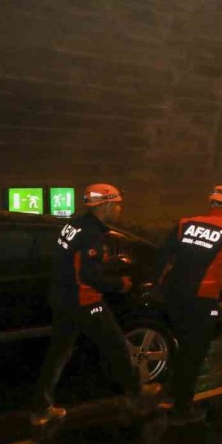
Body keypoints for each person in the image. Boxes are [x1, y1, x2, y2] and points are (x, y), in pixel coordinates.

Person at [30, 183, 161, 427]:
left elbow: (69, 263)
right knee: (117, 346)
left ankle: (41, 409)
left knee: (59, 353)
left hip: (61, 297)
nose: (120, 209)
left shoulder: (75, 224)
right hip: (83, 300)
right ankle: (137, 395)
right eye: (118, 204)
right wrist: (118, 283)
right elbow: (88, 276)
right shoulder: (91, 233)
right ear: (106, 205)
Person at [154, 185, 222, 425]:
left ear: (212, 203)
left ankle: (170, 395)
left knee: (181, 346)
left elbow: (162, 256)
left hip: (174, 296)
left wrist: (158, 287)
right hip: (202, 300)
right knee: (195, 351)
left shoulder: (185, 224)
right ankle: (181, 410)